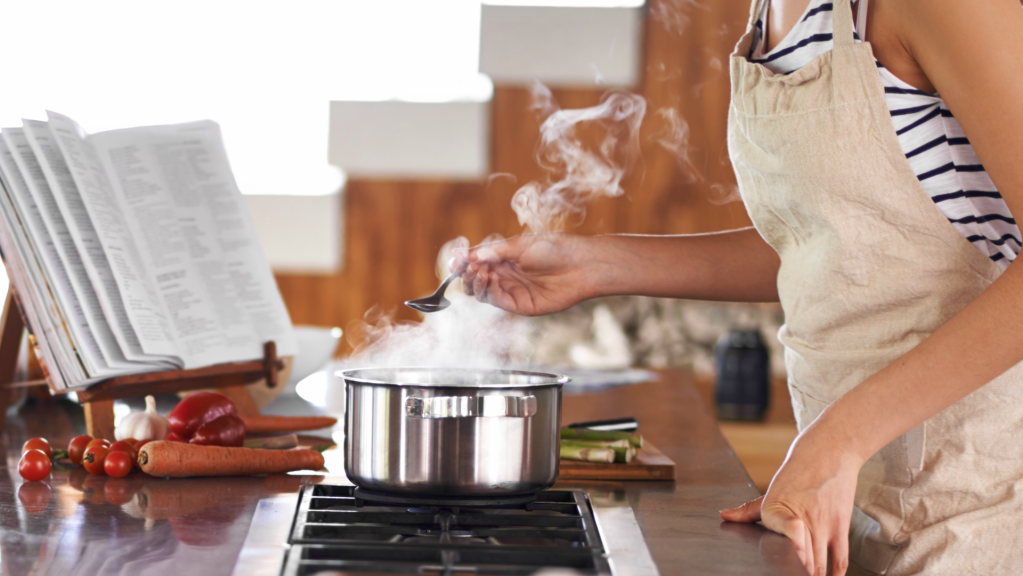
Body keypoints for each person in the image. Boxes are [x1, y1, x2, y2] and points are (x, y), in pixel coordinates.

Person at [452, 0, 1023, 574]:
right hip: (847, 501)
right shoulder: (769, 11)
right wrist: (598, 266)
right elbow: (835, 242)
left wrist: (840, 437)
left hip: (978, 501)